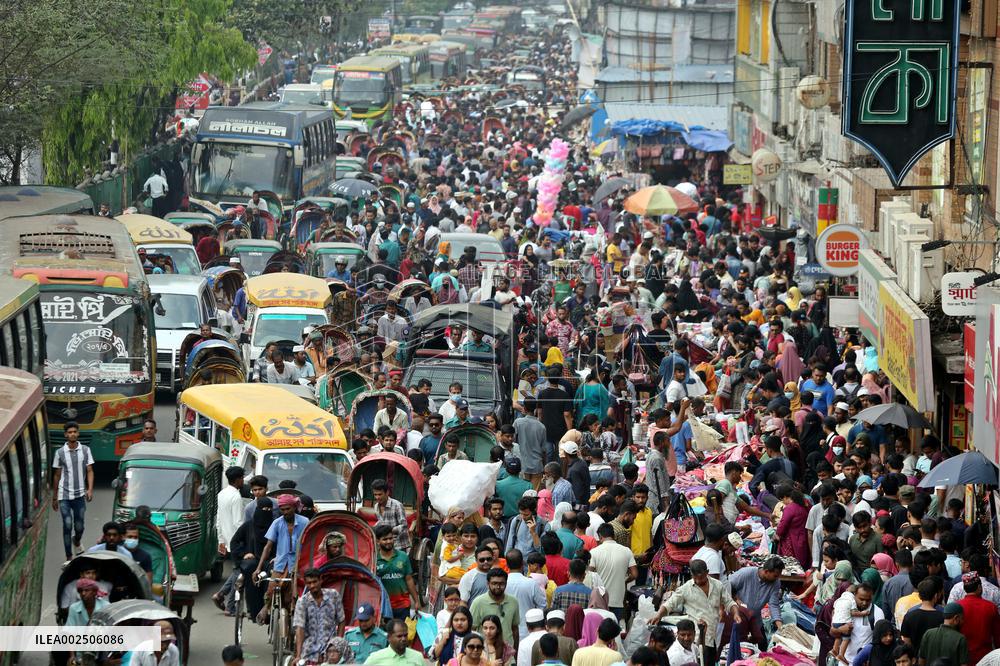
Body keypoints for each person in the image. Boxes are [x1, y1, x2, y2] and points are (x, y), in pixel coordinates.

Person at [649, 560, 739, 666]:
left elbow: (729, 602)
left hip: (713, 636)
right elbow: (670, 604)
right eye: (695, 578)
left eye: (701, 577)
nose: (698, 581)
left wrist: (736, 613)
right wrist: (658, 615)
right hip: (695, 639)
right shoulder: (686, 588)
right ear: (692, 575)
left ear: (707, 572)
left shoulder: (717, 585)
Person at [254, 494, 309, 624]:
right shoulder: (277, 523)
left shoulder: (305, 522)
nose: (285, 512)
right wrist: (258, 568)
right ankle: (266, 608)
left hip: (299, 564)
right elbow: (268, 547)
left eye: (288, 509)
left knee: (296, 596)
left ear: (294, 508)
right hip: (281, 564)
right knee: (272, 587)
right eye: (282, 510)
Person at [52, 421, 94, 560]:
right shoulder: (59, 453)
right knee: (67, 524)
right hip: (64, 495)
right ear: (65, 435)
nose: (72, 434)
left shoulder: (85, 450)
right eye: (70, 432)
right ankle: (69, 556)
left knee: (80, 526)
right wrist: (54, 497)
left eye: (75, 432)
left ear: (78, 433)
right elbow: (57, 475)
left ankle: (76, 540)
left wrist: (90, 489)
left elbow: (89, 470)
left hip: (80, 495)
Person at [728, 557, 784, 649]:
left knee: (762, 644)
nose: (777, 578)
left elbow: (774, 604)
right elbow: (727, 585)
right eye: (775, 575)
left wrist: (780, 627)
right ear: (766, 571)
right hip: (739, 617)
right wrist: (735, 598)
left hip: (755, 618)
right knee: (737, 645)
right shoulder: (746, 573)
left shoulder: (775, 582)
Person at [212, 466, 245, 612]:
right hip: (237, 540)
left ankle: (220, 594)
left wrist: (221, 540)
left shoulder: (222, 494)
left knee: (237, 570)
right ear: (238, 479)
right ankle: (230, 606)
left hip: (227, 538)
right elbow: (238, 523)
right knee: (239, 572)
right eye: (242, 478)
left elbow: (218, 519)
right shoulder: (236, 497)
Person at [589, 523, 636, 619]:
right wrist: (624, 581)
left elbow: (589, 574)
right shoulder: (626, 551)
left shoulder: (594, 552)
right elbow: (634, 574)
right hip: (618, 600)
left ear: (600, 536)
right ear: (613, 535)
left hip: (599, 600)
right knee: (614, 630)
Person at [375, 525, 421, 619]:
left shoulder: (403, 556)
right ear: (377, 541)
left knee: (402, 633)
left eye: (391, 538)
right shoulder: (374, 559)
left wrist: (416, 600)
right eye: (385, 539)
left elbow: (409, 580)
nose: (389, 541)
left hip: (403, 605)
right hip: (383, 606)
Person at [470, 569, 520, 647]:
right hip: (485, 652)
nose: (498, 587)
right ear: (488, 584)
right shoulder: (478, 602)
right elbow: (472, 629)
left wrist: (516, 652)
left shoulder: (513, 602)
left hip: (508, 652)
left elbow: (515, 629)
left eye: (501, 583)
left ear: (506, 584)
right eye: (494, 583)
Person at [505, 550, 547, 637]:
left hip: (506, 630)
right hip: (528, 631)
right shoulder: (531, 583)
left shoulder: (502, 583)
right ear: (522, 563)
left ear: (507, 565)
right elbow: (542, 606)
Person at [371, 479, 411, 551]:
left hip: (399, 545)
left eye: (380, 494)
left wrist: (389, 530)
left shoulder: (397, 505)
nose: (377, 497)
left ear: (387, 493)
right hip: (384, 545)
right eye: (375, 495)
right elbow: (381, 521)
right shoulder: (376, 506)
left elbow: (404, 526)